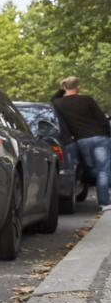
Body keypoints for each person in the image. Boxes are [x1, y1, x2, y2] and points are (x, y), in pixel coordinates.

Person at [52, 76, 111, 211]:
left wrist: (61, 90)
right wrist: (107, 135)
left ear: (65, 87)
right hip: (99, 138)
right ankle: (104, 203)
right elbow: (102, 118)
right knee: (103, 171)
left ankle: (104, 196)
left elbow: (53, 100)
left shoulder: (59, 103)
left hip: (81, 140)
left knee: (91, 169)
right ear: (78, 87)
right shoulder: (87, 99)